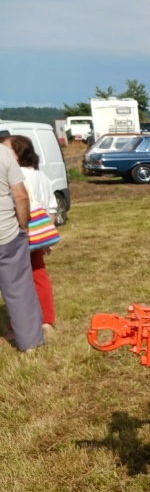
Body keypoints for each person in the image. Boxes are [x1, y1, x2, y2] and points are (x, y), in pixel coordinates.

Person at [5, 135, 56, 335]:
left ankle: (19, 324)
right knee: (39, 276)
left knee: (16, 281)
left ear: (18, 154)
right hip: (39, 232)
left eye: (6, 150)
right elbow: (51, 207)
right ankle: (47, 320)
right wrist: (46, 236)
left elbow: (18, 202)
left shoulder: (15, 175)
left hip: (18, 232)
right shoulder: (41, 175)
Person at [0, 133, 44, 351]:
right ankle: (31, 344)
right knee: (19, 289)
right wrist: (23, 227)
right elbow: (21, 195)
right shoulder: (4, 154)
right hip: (6, 231)